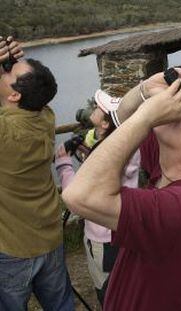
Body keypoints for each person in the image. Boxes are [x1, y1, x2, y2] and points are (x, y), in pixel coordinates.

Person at [62, 69, 181, 310]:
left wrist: (147, 115)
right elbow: (120, 119)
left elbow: (79, 195)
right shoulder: (172, 165)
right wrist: (146, 89)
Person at [0, 37, 74, 310]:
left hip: (13, 249)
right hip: (49, 237)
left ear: (15, 95)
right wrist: (14, 64)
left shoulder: (6, 134)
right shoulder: (45, 116)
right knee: (61, 304)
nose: (4, 70)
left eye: (7, 70)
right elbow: (32, 89)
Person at [55, 90, 140, 306]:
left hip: (103, 236)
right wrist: (86, 145)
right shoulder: (126, 143)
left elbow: (78, 195)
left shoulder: (108, 158)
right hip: (122, 227)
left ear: (104, 124)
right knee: (125, 283)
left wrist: (63, 162)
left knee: (108, 289)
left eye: (98, 109)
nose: (93, 109)